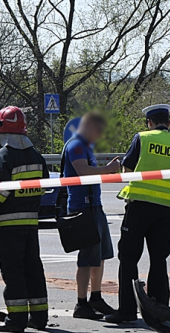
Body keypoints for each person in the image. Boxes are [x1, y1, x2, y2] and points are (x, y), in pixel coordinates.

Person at [105, 104, 170, 324]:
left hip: (140, 206)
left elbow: (127, 171)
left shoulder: (142, 138)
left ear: (149, 123)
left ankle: (127, 310)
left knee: (129, 257)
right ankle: (159, 309)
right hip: (166, 209)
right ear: (169, 123)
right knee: (159, 259)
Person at [0, 106, 49, 333]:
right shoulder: (36, 155)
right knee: (33, 269)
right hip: (31, 223)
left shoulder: (3, 157)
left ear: (1, 129)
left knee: (13, 272)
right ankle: (39, 318)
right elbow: (44, 186)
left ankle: (16, 321)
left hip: (9, 225)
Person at [61, 112, 119, 319]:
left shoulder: (85, 146)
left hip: (94, 207)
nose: (100, 136)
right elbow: (83, 171)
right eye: (98, 131)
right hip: (82, 209)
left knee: (100, 256)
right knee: (86, 258)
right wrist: (109, 169)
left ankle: (95, 297)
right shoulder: (76, 145)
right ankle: (81, 303)